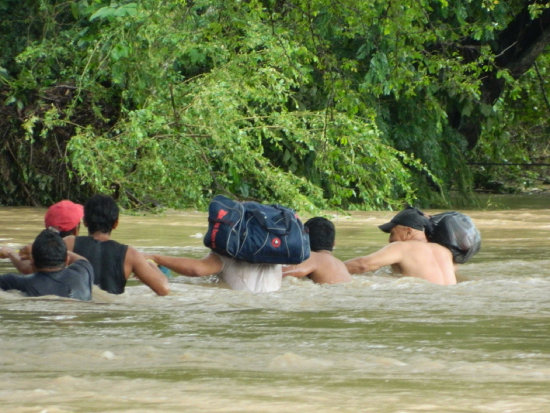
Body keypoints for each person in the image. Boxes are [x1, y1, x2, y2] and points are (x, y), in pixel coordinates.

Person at [63, 194, 169, 296]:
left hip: (79, 305)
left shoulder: (69, 243)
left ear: (85, 221)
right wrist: (150, 264)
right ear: (116, 223)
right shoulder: (129, 254)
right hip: (111, 307)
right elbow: (163, 289)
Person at [344, 207, 457, 285]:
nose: (390, 240)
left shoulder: (402, 247)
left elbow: (363, 265)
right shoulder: (445, 251)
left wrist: (333, 269)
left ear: (408, 232)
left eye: (392, 233)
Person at [0, 228, 93, 300]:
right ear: (67, 260)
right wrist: (54, 250)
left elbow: (25, 269)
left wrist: (10, 253)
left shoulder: (17, 282)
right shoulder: (83, 273)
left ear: (32, 262)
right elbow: (81, 259)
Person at [282, 217, 351, 284]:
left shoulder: (312, 257)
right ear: (333, 244)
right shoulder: (340, 264)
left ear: (304, 241)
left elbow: (287, 272)